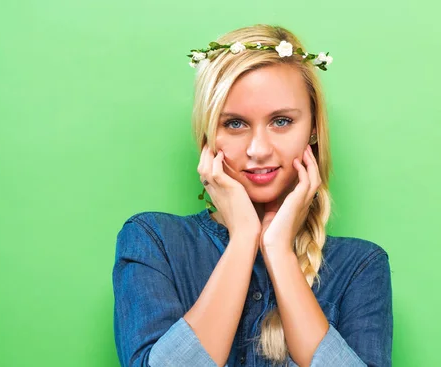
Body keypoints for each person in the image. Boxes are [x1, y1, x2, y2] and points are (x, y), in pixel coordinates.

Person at [112, 24, 392, 367]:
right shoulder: (153, 242)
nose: (258, 150)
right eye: (234, 124)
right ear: (207, 133)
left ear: (314, 128)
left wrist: (279, 252)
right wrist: (244, 236)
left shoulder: (360, 267)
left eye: (282, 121)